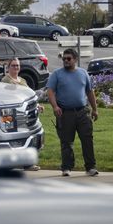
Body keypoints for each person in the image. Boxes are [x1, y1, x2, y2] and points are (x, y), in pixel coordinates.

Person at [45, 48, 98, 177]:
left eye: (69, 58)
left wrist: (95, 109)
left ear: (75, 59)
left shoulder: (83, 73)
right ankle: (66, 167)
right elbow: (50, 91)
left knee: (87, 139)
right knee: (66, 142)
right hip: (65, 113)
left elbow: (89, 92)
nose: (66, 61)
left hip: (82, 112)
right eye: (64, 59)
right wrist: (55, 106)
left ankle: (90, 167)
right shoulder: (57, 74)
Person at [0, 58, 40, 170]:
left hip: (24, 115)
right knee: (12, 139)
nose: (16, 67)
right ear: (8, 67)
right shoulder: (5, 80)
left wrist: (37, 105)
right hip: (10, 116)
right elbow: (5, 99)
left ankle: (28, 163)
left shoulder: (22, 80)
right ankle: (9, 163)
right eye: (13, 65)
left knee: (27, 136)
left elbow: (29, 96)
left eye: (17, 65)